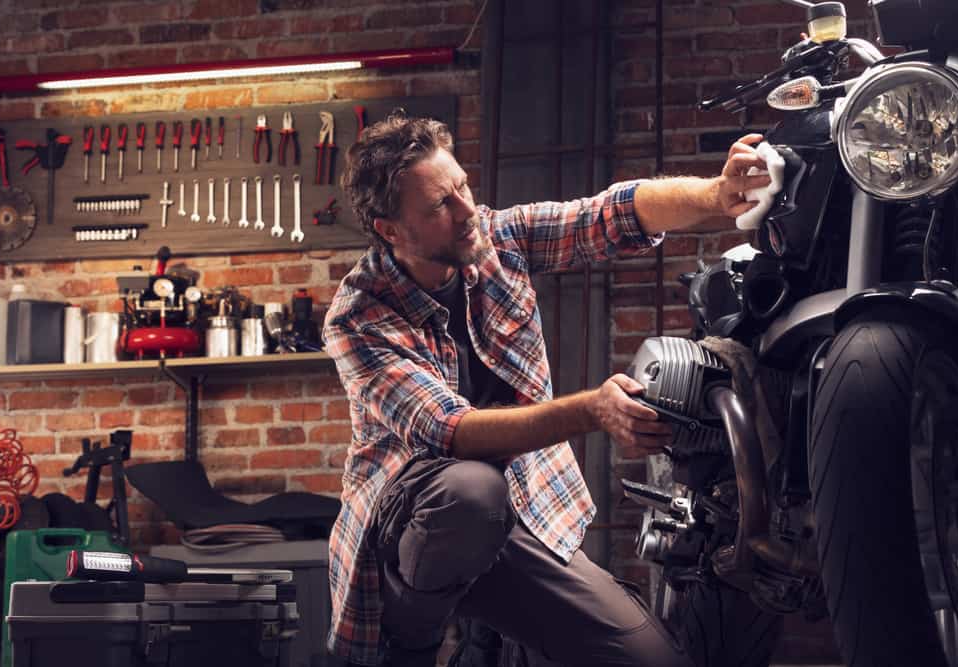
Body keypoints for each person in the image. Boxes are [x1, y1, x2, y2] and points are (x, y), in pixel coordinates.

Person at [323, 111, 770, 667]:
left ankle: (487, 633)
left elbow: (607, 215)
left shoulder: (493, 239)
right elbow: (452, 432)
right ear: (391, 231)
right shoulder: (359, 315)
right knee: (470, 492)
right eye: (441, 205)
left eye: (462, 186)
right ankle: (412, 648)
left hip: (513, 515)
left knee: (653, 660)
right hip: (414, 528)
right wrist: (594, 409)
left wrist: (715, 193)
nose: (467, 211)